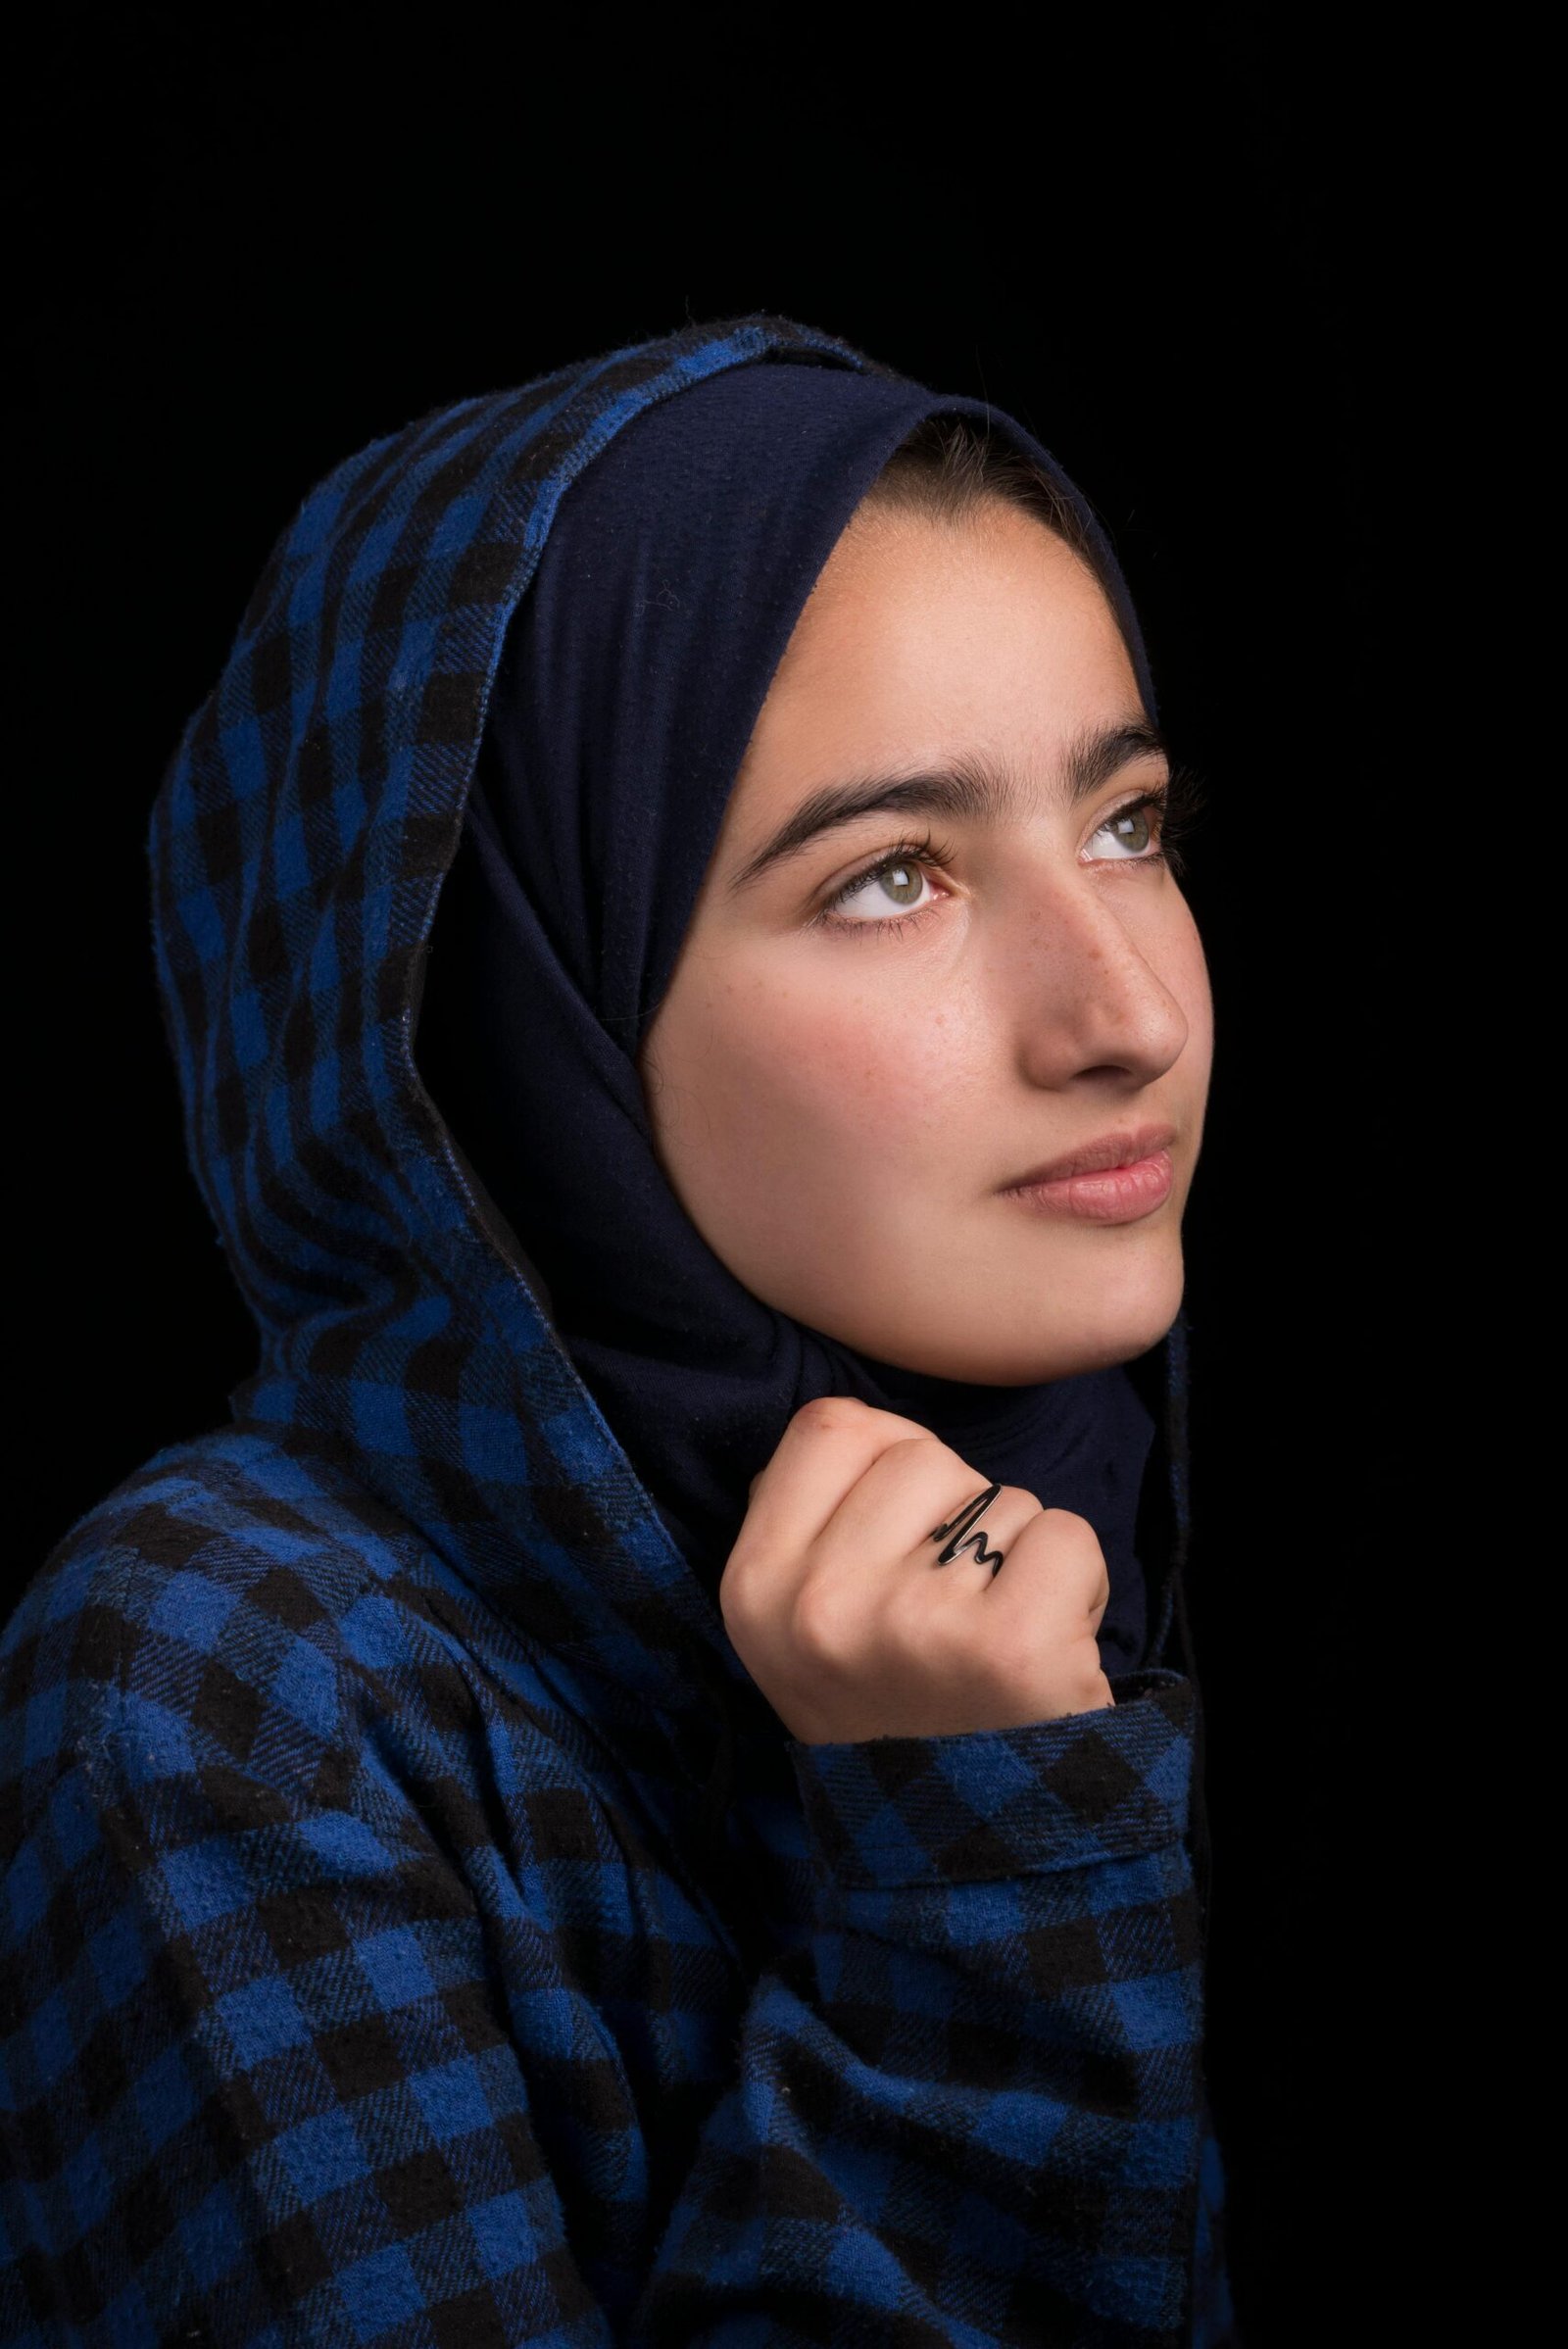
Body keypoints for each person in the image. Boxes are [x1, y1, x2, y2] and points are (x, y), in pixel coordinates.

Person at [0, 316, 1236, 2345]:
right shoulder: (227, 1689)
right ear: (525, 993)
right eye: (893, 875)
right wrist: (980, 1871)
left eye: (1128, 822)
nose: (1130, 1013)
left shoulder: (1070, 1510)